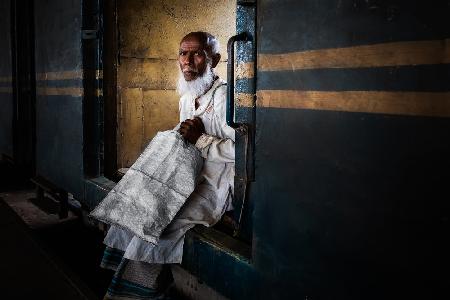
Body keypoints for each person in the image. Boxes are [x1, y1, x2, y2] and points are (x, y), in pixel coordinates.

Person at [100, 31, 235, 300]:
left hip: (216, 184)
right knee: (137, 206)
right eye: (183, 53)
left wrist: (202, 139)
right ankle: (137, 282)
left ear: (215, 59)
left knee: (159, 223)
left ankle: (141, 292)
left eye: (197, 53)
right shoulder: (187, 97)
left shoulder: (225, 99)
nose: (188, 60)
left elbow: (243, 154)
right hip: (188, 176)